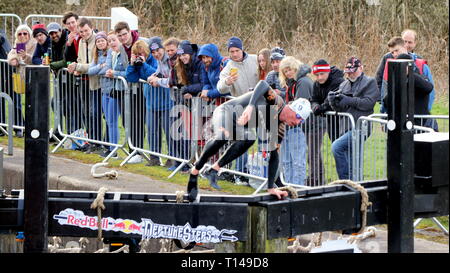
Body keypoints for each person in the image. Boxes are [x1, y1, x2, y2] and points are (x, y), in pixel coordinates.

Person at [186, 80, 312, 201]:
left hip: (240, 125)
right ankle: (195, 170)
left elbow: (274, 157)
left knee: (250, 138)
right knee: (223, 136)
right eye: (298, 118)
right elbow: (263, 84)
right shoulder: (276, 102)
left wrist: (270, 188)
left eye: (301, 122)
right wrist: (250, 107)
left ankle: (214, 169)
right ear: (292, 109)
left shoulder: (279, 127)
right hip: (226, 112)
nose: (297, 123)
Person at [327, 57, 378, 180]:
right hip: (346, 127)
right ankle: (354, 185)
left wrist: (348, 100)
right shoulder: (343, 84)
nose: (350, 74)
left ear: (361, 68)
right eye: (348, 72)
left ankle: (345, 181)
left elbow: (369, 103)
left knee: (337, 147)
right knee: (353, 160)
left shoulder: (370, 82)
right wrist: (333, 101)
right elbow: (339, 109)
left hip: (361, 128)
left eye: (353, 71)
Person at [217, 36, 259, 178]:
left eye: (237, 50)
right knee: (242, 140)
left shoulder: (255, 59)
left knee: (265, 139)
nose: (234, 54)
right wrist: (227, 82)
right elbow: (220, 87)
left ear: (242, 49)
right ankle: (240, 174)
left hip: (259, 106)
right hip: (241, 108)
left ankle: (262, 173)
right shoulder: (229, 67)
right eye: (231, 51)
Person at [115, 21, 148, 163]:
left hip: (143, 86)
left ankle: (139, 152)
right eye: (120, 35)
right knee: (129, 119)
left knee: (140, 120)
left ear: (130, 31)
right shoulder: (122, 48)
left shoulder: (142, 42)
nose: (123, 38)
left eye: (124, 34)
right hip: (130, 86)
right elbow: (128, 69)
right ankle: (132, 150)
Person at [278, 56, 313, 186]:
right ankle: (288, 186)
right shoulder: (292, 82)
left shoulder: (303, 82)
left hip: (299, 126)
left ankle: (298, 187)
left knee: (298, 161)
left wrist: (288, 106)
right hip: (289, 126)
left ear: (295, 67)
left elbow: (301, 106)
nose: (288, 73)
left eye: (289, 69)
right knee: (287, 160)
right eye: (285, 71)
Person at [310, 59, 345, 185]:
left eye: (322, 74)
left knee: (342, 151)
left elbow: (332, 101)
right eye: (317, 75)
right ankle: (342, 179)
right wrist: (315, 107)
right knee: (336, 150)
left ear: (328, 71)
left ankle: (346, 179)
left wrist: (320, 108)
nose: (319, 77)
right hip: (330, 122)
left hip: (342, 122)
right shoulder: (316, 84)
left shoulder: (338, 81)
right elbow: (314, 99)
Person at [66, 17, 99, 153]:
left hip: (95, 82)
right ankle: (90, 141)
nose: (84, 34)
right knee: (86, 113)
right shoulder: (81, 42)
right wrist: (77, 69)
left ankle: (97, 142)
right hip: (83, 81)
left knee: (94, 113)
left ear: (91, 28)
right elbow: (79, 59)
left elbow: (94, 64)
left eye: (86, 31)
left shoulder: (97, 41)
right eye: (81, 31)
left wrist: (78, 66)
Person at [171, 40, 203, 172]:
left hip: (199, 104)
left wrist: (189, 90)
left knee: (194, 135)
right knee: (180, 132)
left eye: (185, 55)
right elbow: (175, 82)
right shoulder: (181, 65)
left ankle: (191, 162)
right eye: (181, 55)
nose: (183, 57)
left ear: (190, 54)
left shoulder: (198, 63)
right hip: (186, 103)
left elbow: (202, 84)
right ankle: (182, 161)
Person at [146, 37, 178, 168]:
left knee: (170, 130)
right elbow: (160, 71)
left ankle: (172, 157)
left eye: (158, 50)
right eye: (153, 52)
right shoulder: (159, 60)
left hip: (172, 99)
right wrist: (153, 76)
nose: (156, 54)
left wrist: (157, 81)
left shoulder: (171, 60)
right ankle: (154, 157)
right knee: (152, 130)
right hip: (161, 100)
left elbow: (171, 80)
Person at [382, 53, 434, 127]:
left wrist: (409, 74)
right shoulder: (397, 81)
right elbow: (387, 101)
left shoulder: (419, 78)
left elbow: (429, 88)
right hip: (400, 124)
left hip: (419, 124)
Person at [102, 31, 129, 157]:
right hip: (111, 90)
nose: (112, 43)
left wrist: (115, 74)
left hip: (123, 91)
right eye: (109, 41)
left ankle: (117, 149)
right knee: (110, 121)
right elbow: (106, 68)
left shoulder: (123, 54)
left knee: (122, 122)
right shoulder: (110, 53)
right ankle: (112, 149)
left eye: (114, 40)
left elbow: (128, 72)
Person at [4, 25, 35, 137]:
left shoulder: (34, 43)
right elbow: (10, 54)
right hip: (20, 77)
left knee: (32, 104)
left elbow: (36, 58)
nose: (22, 36)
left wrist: (25, 56)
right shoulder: (18, 44)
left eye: (25, 33)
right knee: (17, 103)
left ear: (29, 34)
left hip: (33, 77)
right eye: (20, 34)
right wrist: (13, 59)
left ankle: (32, 128)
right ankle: (19, 128)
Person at [87, 31, 110, 155]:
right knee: (95, 113)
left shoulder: (110, 53)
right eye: (98, 41)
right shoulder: (96, 55)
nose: (100, 43)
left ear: (106, 42)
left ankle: (107, 144)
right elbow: (90, 71)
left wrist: (100, 68)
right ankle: (96, 142)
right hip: (98, 88)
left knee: (107, 117)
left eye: (102, 40)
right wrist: (101, 66)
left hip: (108, 89)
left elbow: (109, 68)